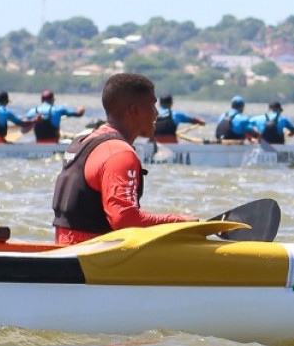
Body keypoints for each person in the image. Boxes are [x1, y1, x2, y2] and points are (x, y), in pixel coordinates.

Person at [51, 73, 195, 244]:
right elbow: (124, 219)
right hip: (94, 260)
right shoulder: (120, 153)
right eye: (152, 106)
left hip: (68, 250)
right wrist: (180, 223)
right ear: (135, 110)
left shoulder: (82, 142)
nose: (156, 114)